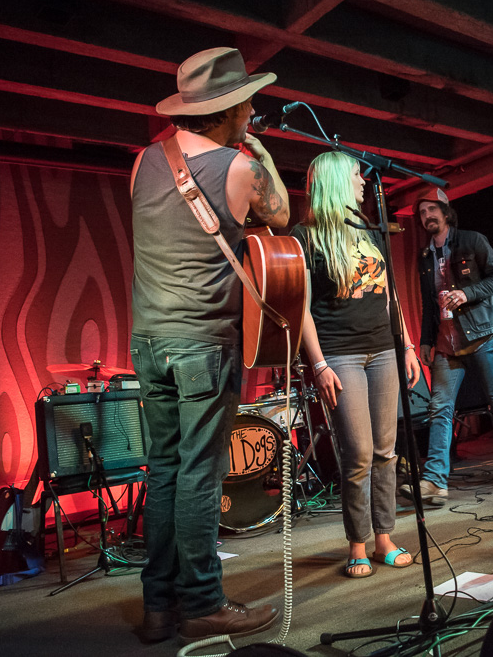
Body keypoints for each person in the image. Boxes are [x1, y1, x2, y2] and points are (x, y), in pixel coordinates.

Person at [129, 47, 289, 642]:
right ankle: (201, 602)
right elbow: (281, 213)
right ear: (226, 109)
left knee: (165, 471)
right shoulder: (239, 165)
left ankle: (158, 606)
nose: (251, 109)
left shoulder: (143, 161)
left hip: (150, 340)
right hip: (203, 343)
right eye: (245, 102)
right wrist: (259, 151)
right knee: (199, 474)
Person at [291, 151, 421, 579]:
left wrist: (407, 346)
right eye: (355, 175)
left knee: (387, 450)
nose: (364, 181)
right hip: (341, 354)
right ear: (334, 181)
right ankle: (358, 544)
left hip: (383, 348)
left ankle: (384, 537)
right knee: (359, 453)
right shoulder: (305, 236)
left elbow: (390, 297)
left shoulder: (368, 229)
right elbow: (303, 309)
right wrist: (319, 365)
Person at [400, 186, 493, 506]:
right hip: (447, 343)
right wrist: (426, 341)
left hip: (482, 333)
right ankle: (434, 481)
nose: (427, 216)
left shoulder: (472, 240)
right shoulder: (424, 256)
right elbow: (429, 304)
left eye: (433, 210)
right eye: (422, 212)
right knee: (439, 408)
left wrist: (467, 293)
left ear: (446, 213)